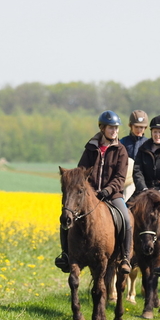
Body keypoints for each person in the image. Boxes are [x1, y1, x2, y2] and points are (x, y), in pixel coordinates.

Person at [54, 110, 133, 275]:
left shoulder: (121, 150)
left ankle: (125, 257)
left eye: (116, 128)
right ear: (102, 128)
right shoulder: (90, 148)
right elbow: (81, 173)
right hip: (89, 196)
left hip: (112, 195)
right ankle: (66, 255)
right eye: (111, 128)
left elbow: (120, 177)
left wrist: (107, 190)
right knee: (67, 216)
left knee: (126, 218)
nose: (114, 131)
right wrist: (88, 191)